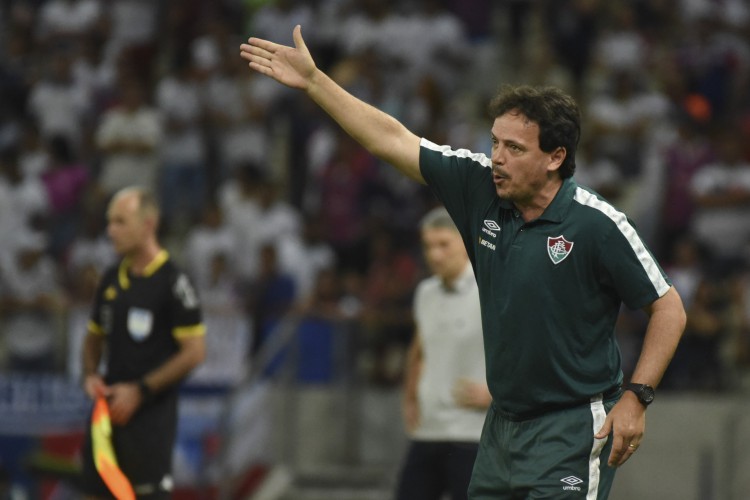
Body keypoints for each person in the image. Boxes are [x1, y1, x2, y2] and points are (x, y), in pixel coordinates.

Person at [240, 26, 687, 499]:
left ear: (556, 157)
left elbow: (669, 308)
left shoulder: (598, 224)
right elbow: (391, 139)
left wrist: (637, 398)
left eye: (514, 149)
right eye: (495, 142)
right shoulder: (478, 186)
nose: (496, 158)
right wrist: (315, 82)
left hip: (572, 426)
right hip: (500, 429)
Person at [79, 187, 206, 499]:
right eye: (109, 222)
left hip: (150, 423)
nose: (111, 230)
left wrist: (141, 390)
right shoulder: (110, 278)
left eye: (120, 222)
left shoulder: (173, 282)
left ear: (148, 224)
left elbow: (194, 353)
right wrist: (91, 374)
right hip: (108, 422)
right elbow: (92, 340)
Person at [395, 206, 490, 500]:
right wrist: (410, 394)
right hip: (428, 430)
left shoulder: (491, 290)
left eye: (443, 244)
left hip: (471, 433)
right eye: (427, 246)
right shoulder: (425, 292)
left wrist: (496, 394)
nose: (434, 254)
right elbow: (420, 346)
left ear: (466, 241)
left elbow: (530, 350)